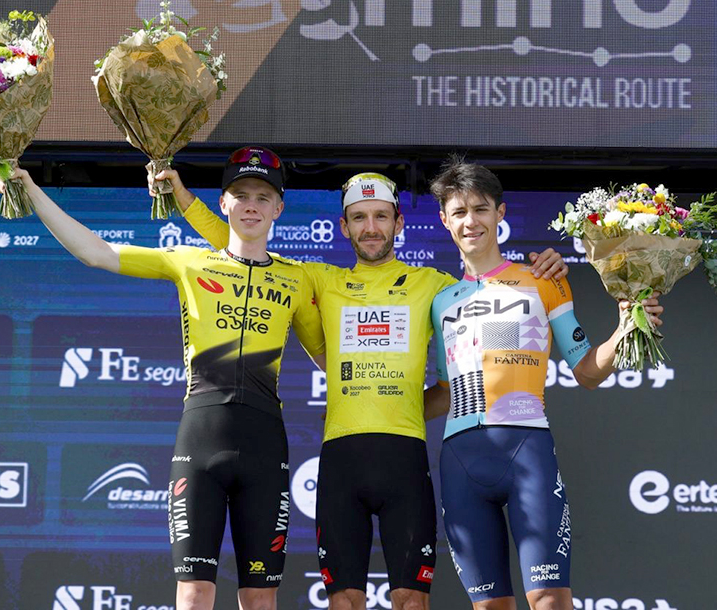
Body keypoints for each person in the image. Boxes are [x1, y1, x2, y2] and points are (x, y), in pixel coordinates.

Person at [154, 165, 567, 610]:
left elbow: (491, 283)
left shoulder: (435, 286)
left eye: (381, 216)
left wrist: (542, 271)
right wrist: (183, 198)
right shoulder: (319, 278)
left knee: (411, 602)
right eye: (359, 218)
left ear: (399, 222)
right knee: (345, 602)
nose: (371, 228)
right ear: (344, 226)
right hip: (341, 461)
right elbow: (242, 241)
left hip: (406, 459)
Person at [0, 147, 326, 610]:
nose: (251, 205)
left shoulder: (299, 279)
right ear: (224, 204)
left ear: (278, 209)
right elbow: (96, 252)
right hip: (201, 440)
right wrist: (31, 189)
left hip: (265, 446)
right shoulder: (189, 262)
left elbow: (328, 361)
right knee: (193, 594)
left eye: (262, 197)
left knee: (260, 597)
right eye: (240, 195)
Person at [425, 158, 664, 610]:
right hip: (460, 461)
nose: (471, 221)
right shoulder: (440, 301)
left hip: (526, 454)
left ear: (500, 213)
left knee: (550, 599)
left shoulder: (542, 279)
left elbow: (587, 370)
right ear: (444, 220)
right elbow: (442, 391)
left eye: (481, 209)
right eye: (459, 212)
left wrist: (623, 331)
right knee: (490, 606)